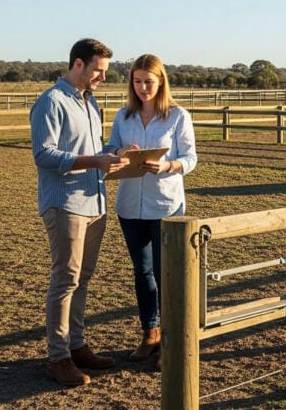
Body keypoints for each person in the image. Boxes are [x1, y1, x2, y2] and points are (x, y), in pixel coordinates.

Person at [30, 38, 130, 387]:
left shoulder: (90, 103)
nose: (102, 77)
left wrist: (114, 152)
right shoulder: (51, 102)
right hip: (65, 205)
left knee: (82, 279)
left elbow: (91, 150)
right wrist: (93, 161)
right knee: (65, 280)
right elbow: (44, 155)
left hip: (94, 204)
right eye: (98, 71)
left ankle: (76, 345)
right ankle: (58, 358)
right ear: (78, 64)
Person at [107, 54, 197, 369]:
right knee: (142, 273)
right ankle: (150, 333)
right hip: (129, 206)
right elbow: (108, 148)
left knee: (165, 274)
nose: (143, 87)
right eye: (137, 81)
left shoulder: (177, 116)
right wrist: (119, 151)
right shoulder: (123, 116)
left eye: (149, 81)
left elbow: (190, 158)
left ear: (160, 82)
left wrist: (167, 165)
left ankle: (171, 341)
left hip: (165, 206)